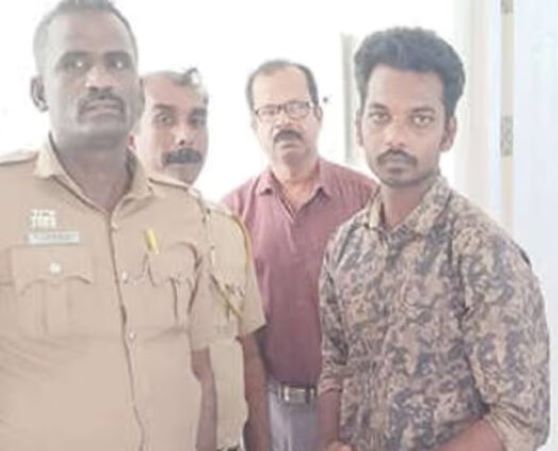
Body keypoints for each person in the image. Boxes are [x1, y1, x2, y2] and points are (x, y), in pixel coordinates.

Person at [317, 27, 551, 451]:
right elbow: (335, 367)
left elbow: (520, 417)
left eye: (419, 118)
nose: (395, 136)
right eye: (380, 116)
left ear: (448, 132)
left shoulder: (483, 253)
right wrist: (330, 441)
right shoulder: (345, 247)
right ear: (358, 127)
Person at [0, 0, 218, 450]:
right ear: (39, 92)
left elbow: (199, 371)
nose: (99, 80)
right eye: (74, 64)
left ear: (137, 90)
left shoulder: (183, 211)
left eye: (116, 63)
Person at [224, 59, 374, 451]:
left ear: (318, 115)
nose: (283, 121)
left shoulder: (366, 200)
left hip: (355, 408)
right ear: (254, 125)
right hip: (274, 409)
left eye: (296, 107)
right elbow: (240, 339)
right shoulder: (231, 214)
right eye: (270, 111)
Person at [130, 68, 270, 451]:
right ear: (130, 135)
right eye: (164, 119)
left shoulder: (227, 227)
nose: (185, 135)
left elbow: (248, 356)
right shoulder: (113, 234)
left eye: (197, 120)